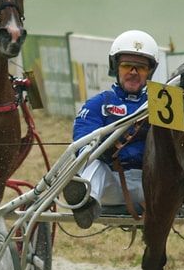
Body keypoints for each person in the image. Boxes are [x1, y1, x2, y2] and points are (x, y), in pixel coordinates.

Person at [64, 30, 159, 228]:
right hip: (111, 183)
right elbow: (82, 141)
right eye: (126, 65)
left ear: (149, 72)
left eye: (140, 67)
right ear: (116, 68)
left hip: (153, 185)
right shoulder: (99, 103)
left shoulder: (161, 103)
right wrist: (105, 147)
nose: (133, 71)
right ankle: (85, 202)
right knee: (91, 163)